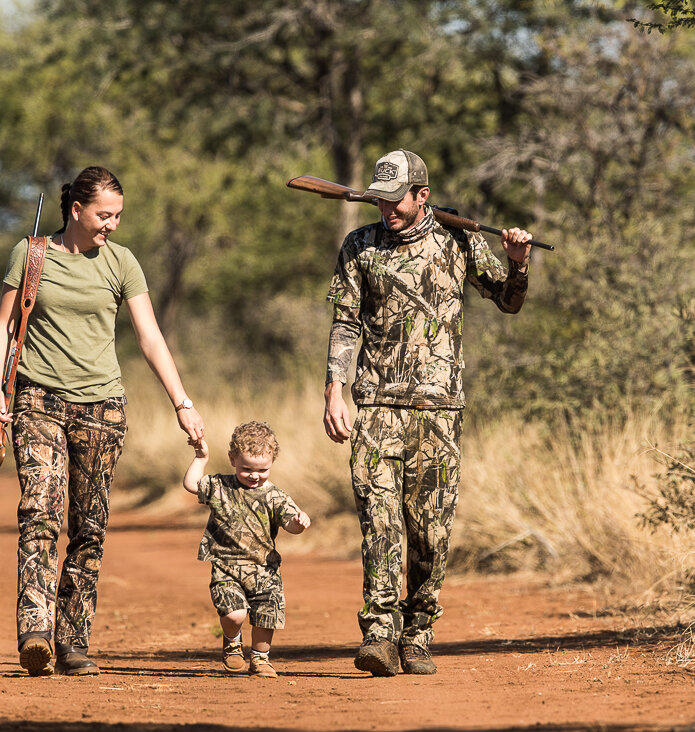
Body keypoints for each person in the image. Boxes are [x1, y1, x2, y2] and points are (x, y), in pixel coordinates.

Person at [0, 166, 205, 677]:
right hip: (37, 399)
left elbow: (150, 337)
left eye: (118, 216)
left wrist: (182, 402)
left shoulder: (122, 262)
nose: (112, 225)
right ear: (76, 210)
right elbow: (3, 325)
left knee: (89, 527)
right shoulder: (32, 254)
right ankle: (35, 630)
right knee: (39, 511)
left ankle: (73, 641)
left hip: (102, 408)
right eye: (104, 215)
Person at [323, 149, 533, 677]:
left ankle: (418, 633)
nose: (387, 209)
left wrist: (517, 263)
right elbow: (346, 323)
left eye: (396, 200)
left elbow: (508, 301)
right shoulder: (359, 245)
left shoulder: (460, 241)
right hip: (374, 403)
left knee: (430, 532)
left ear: (423, 195)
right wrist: (335, 389)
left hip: (439, 410)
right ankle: (379, 633)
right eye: (380, 199)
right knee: (378, 520)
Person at [183, 421, 311, 678]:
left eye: (262, 469)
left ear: (273, 461)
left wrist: (299, 523)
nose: (254, 475)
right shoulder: (221, 487)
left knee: (266, 618)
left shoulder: (276, 496)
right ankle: (232, 642)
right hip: (226, 566)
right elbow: (192, 484)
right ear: (232, 459)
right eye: (246, 469)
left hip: (265, 569)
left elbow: (290, 525)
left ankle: (261, 659)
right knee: (235, 614)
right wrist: (201, 457)